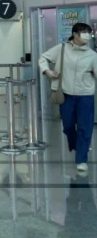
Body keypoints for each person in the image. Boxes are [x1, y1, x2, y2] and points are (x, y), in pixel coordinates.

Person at [41, 21, 97, 175]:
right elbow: (43, 58)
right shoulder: (62, 49)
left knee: (85, 128)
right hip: (66, 95)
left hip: (85, 95)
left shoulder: (93, 55)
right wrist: (46, 71)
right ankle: (77, 145)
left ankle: (81, 159)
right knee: (68, 126)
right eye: (84, 33)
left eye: (89, 33)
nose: (87, 36)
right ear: (75, 34)